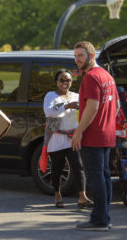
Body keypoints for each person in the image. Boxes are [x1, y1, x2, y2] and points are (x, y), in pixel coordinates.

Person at [72, 41, 120, 231]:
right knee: (104, 176)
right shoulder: (107, 75)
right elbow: (115, 106)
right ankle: (104, 218)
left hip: (93, 137)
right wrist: (106, 123)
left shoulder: (91, 77)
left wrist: (78, 132)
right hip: (106, 135)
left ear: (91, 56)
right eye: (75, 56)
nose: (77, 60)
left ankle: (99, 220)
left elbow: (92, 107)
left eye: (80, 56)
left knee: (96, 177)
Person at [43, 69, 92, 209]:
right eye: (62, 80)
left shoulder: (76, 96)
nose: (65, 83)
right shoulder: (51, 96)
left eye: (68, 80)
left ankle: (82, 197)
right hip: (56, 137)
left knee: (78, 167)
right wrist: (67, 106)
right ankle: (57, 194)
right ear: (56, 82)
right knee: (57, 168)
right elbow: (49, 111)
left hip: (73, 137)